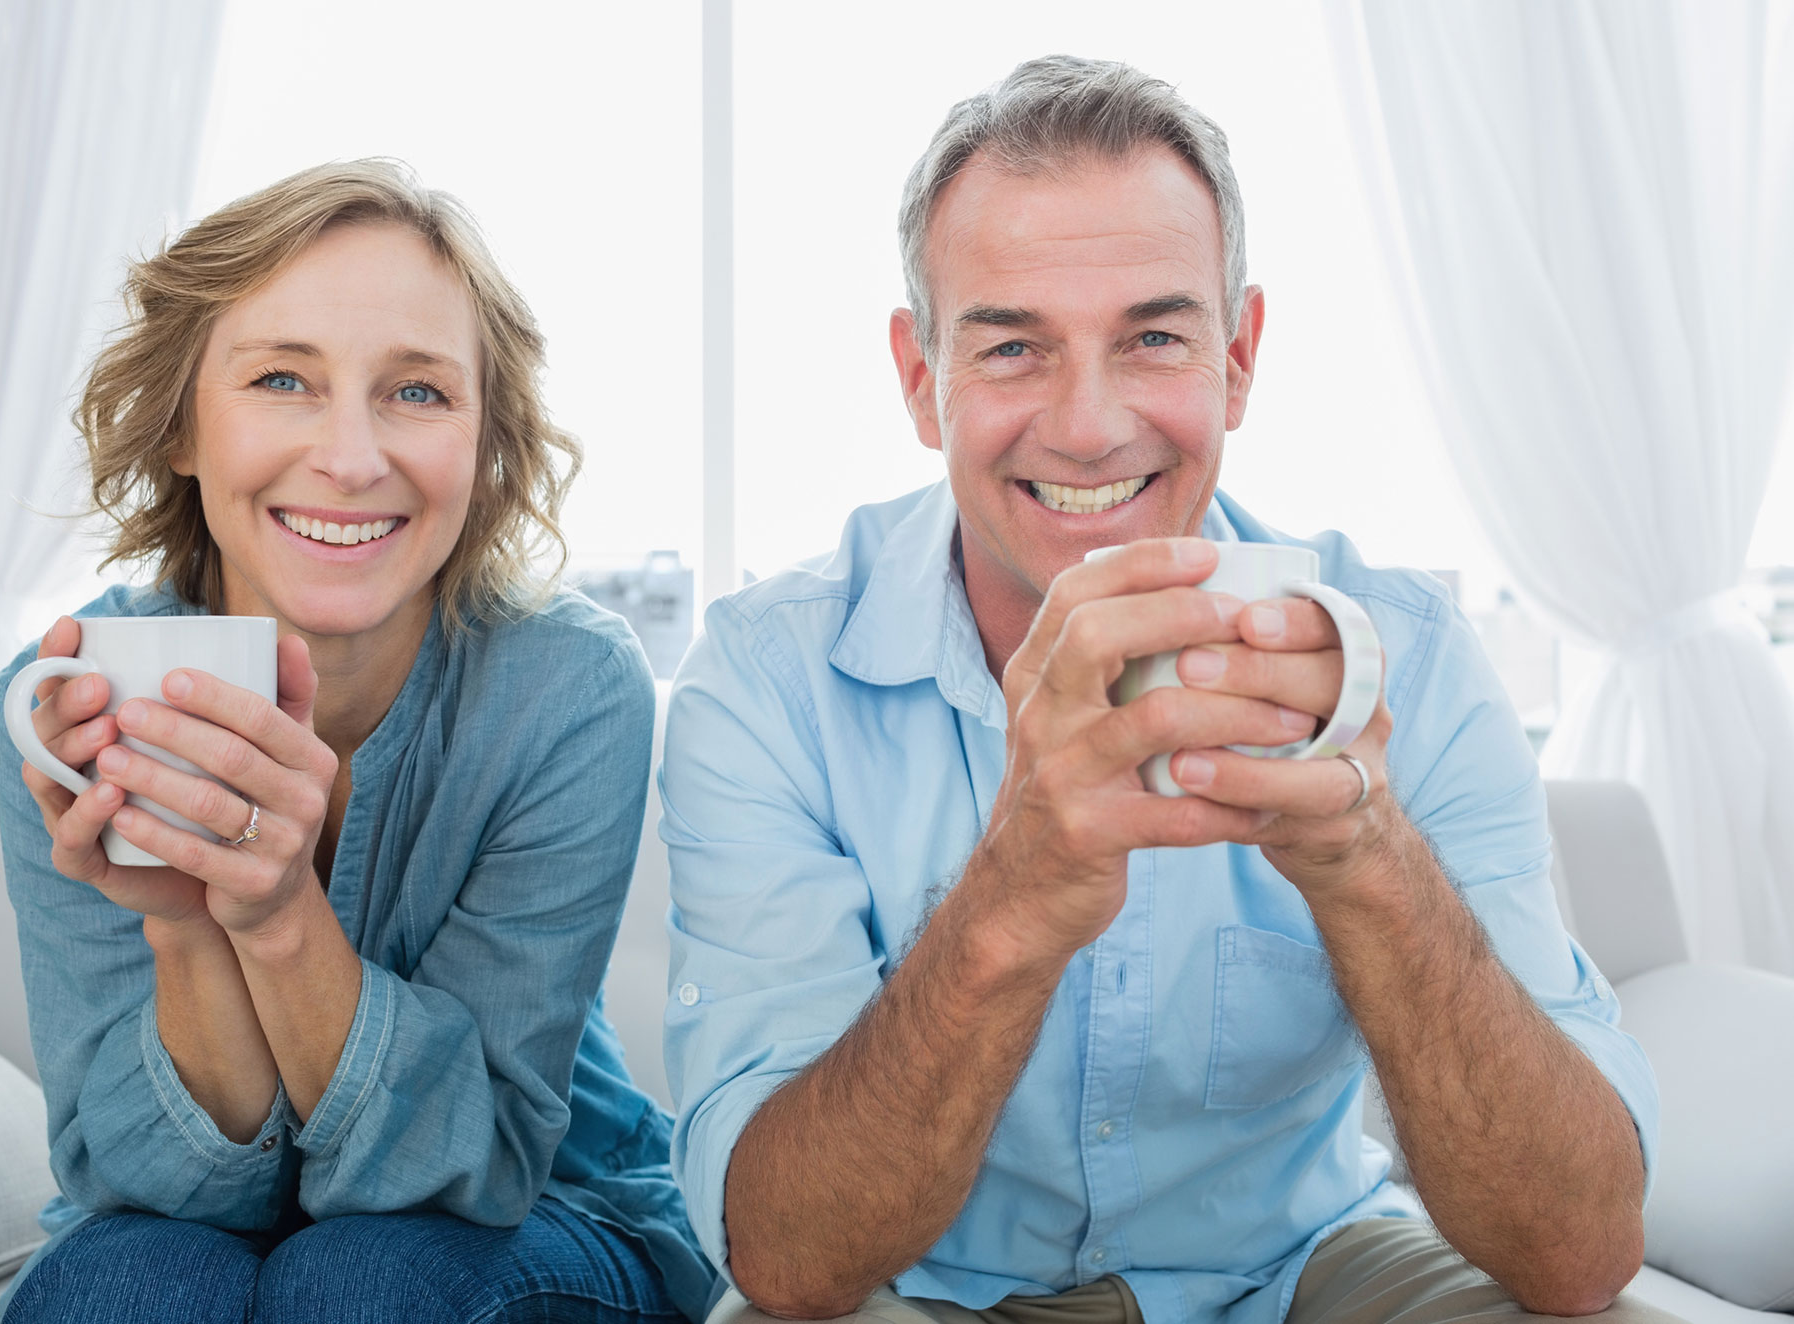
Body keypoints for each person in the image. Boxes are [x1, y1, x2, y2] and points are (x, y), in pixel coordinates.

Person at [660, 57, 1677, 1324]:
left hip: (1295, 1268)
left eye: (1152, 337)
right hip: (922, 1292)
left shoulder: (1403, 652)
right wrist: (1012, 902)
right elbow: (788, 1259)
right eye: (1013, 347)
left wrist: (1365, 858)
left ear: (1237, 355)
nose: (1088, 427)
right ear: (922, 381)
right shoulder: (767, 681)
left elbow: (1579, 1250)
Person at [0, 160, 716, 1324]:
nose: (352, 455)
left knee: (361, 1279)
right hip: (181, 1230)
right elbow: (142, 1179)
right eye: (284, 378)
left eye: (418, 394)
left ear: (485, 447)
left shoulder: (568, 689)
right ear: (182, 427)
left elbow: (475, 1165)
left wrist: (276, 918)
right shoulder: (61, 706)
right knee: (118, 1285)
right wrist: (183, 921)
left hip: (545, 1209)